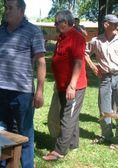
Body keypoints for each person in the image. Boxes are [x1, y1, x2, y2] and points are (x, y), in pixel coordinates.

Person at [0, 0, 46, 168]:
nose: (6, 11)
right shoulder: (1, 32)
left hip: (22, 93)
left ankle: (26, 165)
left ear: (21, 10)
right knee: (1, 132)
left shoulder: (33, 31)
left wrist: (39, 92)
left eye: (10, 8)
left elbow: (41, 62)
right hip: (0, 90)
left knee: (25, 134)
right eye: (5, 8)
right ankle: (2, 164)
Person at [42, 10, 87, 161]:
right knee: (67, 115)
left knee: (67, 117)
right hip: (61, 85)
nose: (55, 25)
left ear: (65, 23)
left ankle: (60, 151)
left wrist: (72, 85)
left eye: (56, 22)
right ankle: (73, 143)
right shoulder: (62, 38)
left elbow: (78, 62)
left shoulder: (77, 38)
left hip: (74, 86)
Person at [85, 14, 118, 150]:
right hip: (105, 78)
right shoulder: (96, 40)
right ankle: (106, 135)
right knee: (104, 108)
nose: (117, 27)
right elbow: (85, 53)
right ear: (106, 24)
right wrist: (93, 67)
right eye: (114, 24)